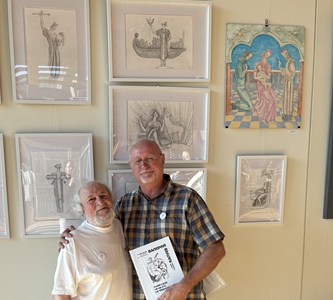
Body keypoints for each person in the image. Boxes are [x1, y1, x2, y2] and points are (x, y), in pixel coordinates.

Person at [59, 139, 226, 300]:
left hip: (185, 296)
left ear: (162, 159)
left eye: (150, 159)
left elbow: (216, 249)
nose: (144, 165)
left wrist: (184, 286)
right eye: (137, 161)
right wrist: (73, 239)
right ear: (132, 167)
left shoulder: (188, 199)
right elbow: (101, 231)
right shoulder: (124, 205)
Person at [52, 181, 132, 300]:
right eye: (91, 199)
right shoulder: (71, 242)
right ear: (82, 210)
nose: (100, 202)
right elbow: (61, 294)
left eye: (103, 195)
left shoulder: (119, 226)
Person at [38, 10, 65, 78]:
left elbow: (58, 44)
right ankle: (52, 75)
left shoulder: (55, 34)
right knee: (52, 61)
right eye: (54, 26)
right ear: (52, 26)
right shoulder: (48, 32)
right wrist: (41, 17)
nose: (55, 28)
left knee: (57, 61)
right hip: (51, 49)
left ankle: (56, 75)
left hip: (56, 50)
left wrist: (61, 40)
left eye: (56, 27)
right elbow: (42, 26)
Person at [253, 49, 277, 123]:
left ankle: (268, 117)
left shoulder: (268, 66)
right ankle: (265, 118)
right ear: (263, 54)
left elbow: (269, 77)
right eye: (266, 54)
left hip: (266, 85)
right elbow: (254, 77)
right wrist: (261, 77)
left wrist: (264, 76)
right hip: (260, 86)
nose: (266, 56)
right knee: (270, 100)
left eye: (268, 55)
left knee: (273, 100)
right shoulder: (257, 64)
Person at [279, 48, 296, 121]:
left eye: (285, 55)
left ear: (287, 54)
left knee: (288, 98)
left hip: (289, 82)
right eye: (283, 55)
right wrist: (280, 67)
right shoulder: (288, 62)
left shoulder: (291, 62)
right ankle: (285, 114)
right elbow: (285, 72)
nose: (284, 57)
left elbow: (292, 73)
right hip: (286, 82)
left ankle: (288, 115)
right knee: (285, 97)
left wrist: (286, 72)